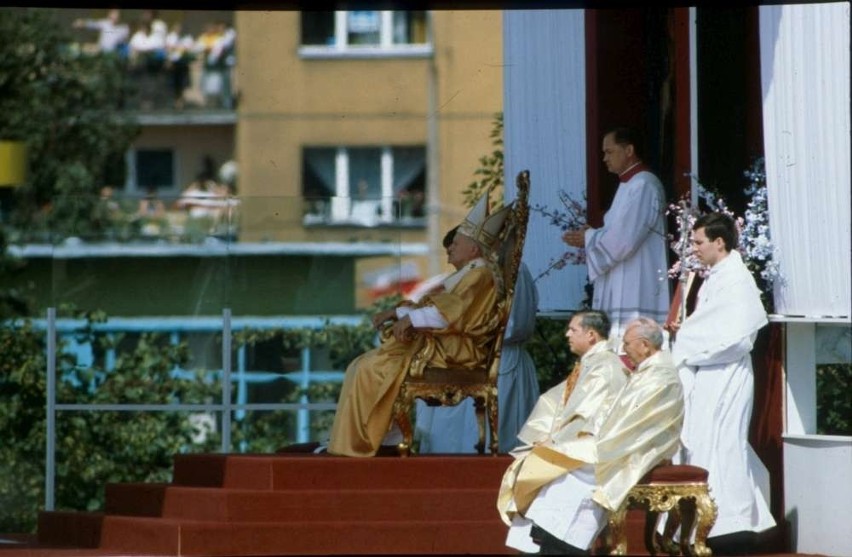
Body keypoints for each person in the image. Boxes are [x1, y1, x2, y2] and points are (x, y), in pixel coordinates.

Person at [327, 191, 514, 457]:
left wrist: (409, 319)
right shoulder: (470, 274)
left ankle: (373, 441)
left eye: (457, 243)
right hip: (444, 342)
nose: (451, 248)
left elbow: (451, 314)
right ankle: (381, 438)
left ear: (473, 248)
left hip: (456, 349)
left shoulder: (479, 275)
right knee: (363, 365)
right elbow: (436, 308)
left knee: (371, 368)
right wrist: (397, 314)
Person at [499, 316, 684, 555]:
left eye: (627, 344)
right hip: (621, 441)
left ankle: (564, 544)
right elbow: (616, 413)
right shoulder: (648, 371)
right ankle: (552, 539)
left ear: (645, 345)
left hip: (635, 448)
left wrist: (586, 441)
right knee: (558, 463)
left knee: (570, 468)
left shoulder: (661, 377)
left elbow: (633, 424)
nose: (624, 351)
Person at [669, 212, 776, 553]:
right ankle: (710, 522)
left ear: (719, 242)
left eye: (699, 242)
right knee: (705, 443)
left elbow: (735, 335)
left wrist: (687, 337)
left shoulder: (737, 279)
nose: (693, 248)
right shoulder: (715, 276)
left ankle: (735, 524)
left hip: (728, 374)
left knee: (726, 444)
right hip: (709, 372)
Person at [415, 229, 541, 454]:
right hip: (468, 359)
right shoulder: (471, 274)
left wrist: (462, 330)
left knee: (498, 438)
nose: (450, 253)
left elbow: (509, 325)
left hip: (500, 359)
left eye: (455, 245)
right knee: (456, 437)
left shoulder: (511, 270)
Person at [562, 127, 669, 348]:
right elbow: (617, 232)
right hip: (624, 274)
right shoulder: (629, 185)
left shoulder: (643, 185)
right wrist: (593, 235)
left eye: (609, 152)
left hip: (636, 278)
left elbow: (624, 239)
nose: (604, 158)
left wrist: (589, 238)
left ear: (629, 150)